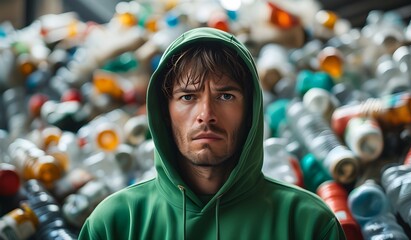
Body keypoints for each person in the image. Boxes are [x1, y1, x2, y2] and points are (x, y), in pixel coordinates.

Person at [78, 27, 346, 240]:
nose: (206, 113)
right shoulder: (115, 224)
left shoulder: (307, 224)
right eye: (188, 97)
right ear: (164, 111)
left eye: (226, 95)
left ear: (251, 110)